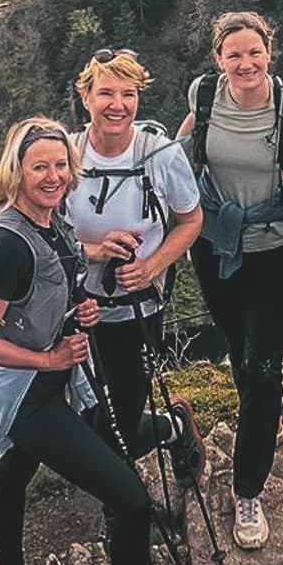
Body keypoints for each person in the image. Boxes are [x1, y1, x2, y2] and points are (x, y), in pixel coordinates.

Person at [0, 117, 210, 565]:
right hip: (27, 394)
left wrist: (80, 309)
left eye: (60, 165)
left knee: (16, 470)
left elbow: (54, 284)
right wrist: (48, 357)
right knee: (131, 498)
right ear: (17, 172)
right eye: (39, 166)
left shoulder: (52, 223)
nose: (52, 176)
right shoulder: (5, 243)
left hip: (53, 378)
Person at [178, 11, 283, 551]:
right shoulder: (203, 96)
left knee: (263, 367)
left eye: (255, 52)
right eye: (233, 54)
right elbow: (182, 157)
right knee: (241, 352)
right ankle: (266, 421)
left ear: (270, 52)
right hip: (215, 246)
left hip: (279, 248)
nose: (245, 63)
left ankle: (248, 489)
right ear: (218, 59)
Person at [67, 49, 210, 488]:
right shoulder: (66, 153)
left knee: (121, 418)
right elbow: (40, 226)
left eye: (128, 94)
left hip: (138, 308)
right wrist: (91, 250)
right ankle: (171, 429)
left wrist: (151, 267)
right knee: (87, 411)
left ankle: (120, 500)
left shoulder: (161, 155)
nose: (117, 104)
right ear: (86, 97)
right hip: (74, 308)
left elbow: (191, 219)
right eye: (105, 93)